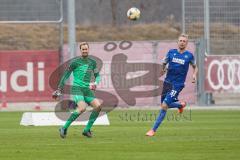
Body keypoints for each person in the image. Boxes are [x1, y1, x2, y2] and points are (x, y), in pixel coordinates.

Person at [146, 34, 198, 136]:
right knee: (164, 104)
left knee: (164, 105)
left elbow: (195, 67)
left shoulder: (189, 56)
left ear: (186, 43)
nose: (182, 42)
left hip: (178, 84)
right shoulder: (171, 52)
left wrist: (194, 75)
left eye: (184, 41)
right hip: (167, 82)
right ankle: (180, 105)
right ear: (177, 42)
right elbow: (164, 63)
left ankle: (153, 130)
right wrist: (163, 69)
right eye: (180, 40)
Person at [52, 42, 101, 138]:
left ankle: (86, 130)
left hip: (87, 89)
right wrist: (59, 89)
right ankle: (64, 128)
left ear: (88, 49)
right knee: (82, 108)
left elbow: (97, 76)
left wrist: (95, 83)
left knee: (98, 107)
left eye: (86, 49)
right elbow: (66, 75)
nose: (85, 51)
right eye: (83, 49)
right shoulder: (75, 62)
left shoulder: (92, 62)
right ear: (81, 50)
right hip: (77, 88)